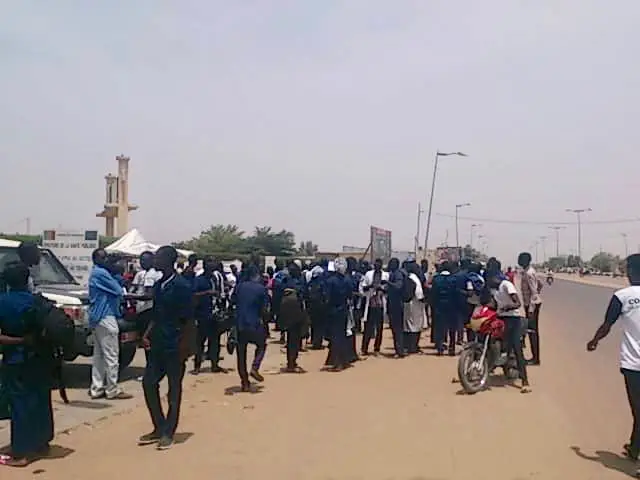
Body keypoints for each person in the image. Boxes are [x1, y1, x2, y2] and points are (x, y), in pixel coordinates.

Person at [0, 262, 54, 467]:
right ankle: (42, 443)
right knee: (40, 398)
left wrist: (19, 341)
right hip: (41, 358)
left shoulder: (3, 302)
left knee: (19, 403)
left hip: (17, 360)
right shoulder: (37, 301)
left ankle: (21, 452)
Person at [587, 254, 640, 463]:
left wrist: (594, 341)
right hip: (633, 364)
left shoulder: (622, 296)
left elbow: (607, 325)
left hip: (633, 364)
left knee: (638, 409)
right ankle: (634, 448)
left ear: (631, 272)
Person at [139, 246, 193, 450]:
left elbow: (188, 320)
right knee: (148, 383)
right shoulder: (160, 284)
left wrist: (185, 347)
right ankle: (158, 426)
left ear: (169, 261)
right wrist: (146, 335)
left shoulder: (182, 286)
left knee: (173, 389)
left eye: (159, 257)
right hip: (158, 343)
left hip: (175, 344)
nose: (155, 260)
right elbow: (157, 313)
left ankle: (169, 432)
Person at [88, 248, 131, 400]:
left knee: (99, 356)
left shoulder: (98, 272)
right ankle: (112, 389)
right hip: (105, 316)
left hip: (97, 317)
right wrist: (116, 271)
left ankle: (97, 388)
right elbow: (118, 290)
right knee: (112, 355)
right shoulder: (101, 273)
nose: (107, 260)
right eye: (104, 258)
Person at [487, 263, 531, 393]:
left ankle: (525, 381)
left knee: (516, 348)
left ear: (495, 277)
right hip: (501, 318)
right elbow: (494, 304)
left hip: (513, 319)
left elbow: (517, 303)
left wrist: (507, 307)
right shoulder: (494, 290)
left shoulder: (506, 285)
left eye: (490, 278)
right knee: (495, 341)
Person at [232, 265, 268, 391]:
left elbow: (232, 302)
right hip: (254, 323)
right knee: (262, 345)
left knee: (241, 354)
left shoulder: (240, 286)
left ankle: (244, 382)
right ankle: (255, 367)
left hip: (240, 324)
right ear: (257, 275)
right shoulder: (261, 289)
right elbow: (264, 310)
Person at [192, 258, 226, 375]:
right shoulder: (199, 280)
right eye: (211, 265)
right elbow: (193, 294)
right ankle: (197, 366)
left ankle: (215, 365)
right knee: (200, 342)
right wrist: (206, 293)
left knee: (215, 341)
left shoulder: (214, 279)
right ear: (206, 266)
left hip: (214, 314)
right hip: (202, 315)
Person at [324, 258, 354, 370]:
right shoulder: (347, 280)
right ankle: (344, 360)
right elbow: (350, 296)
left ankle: (337, 362)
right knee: (342, 335)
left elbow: (327, 298)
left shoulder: (330, 281)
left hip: (333, 311)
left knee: (335, 337)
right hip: (343, 311)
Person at [278, 263, 307, 373]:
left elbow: (279, 293)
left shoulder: (285, 281)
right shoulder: (300, 282)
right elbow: (304, 294)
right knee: (295, 338)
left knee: (291, 338)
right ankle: (292, 362)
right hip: (297, 313)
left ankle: (290, 362)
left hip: (287, 314)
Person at [518, 252, 543, 365]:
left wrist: (531, 309)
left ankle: (535, 358)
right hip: (532, 303)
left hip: (532, 305)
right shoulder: (529, 271)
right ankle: (535, 357)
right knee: (531, 331)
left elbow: (533, 292)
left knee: (532, 332)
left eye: (520, 260)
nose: (519, 262)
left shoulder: (528, 273)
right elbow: (540, 284)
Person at [360, 258, 388, 356]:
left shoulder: (385, 275)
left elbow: (388, 289)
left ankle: (377, 348)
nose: (377, 265)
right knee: (368, 328)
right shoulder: (368, 274)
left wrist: (382, 288)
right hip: (371, 304)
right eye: (376, 264)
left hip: (380, 304)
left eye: (379, 264)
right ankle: (364, 349)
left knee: (379, 329)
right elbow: (363, 287)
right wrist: (371, 286)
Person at [403, 261, 426, 354]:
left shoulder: (407, 276)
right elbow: (419, 294)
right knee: (416, 326)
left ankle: (407, 346)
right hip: (415, 304)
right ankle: (413, 347)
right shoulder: (415, 278)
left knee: (408, 325)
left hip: (407, 304)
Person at [386, 258, 406, 358]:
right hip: (393, 304)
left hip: (397, 305)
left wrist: (387, 283)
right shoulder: (392, 273)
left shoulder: (397, 274)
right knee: (394, 329)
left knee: (397, 329)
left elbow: (398, 286)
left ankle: (400, 351)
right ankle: (398, 349)